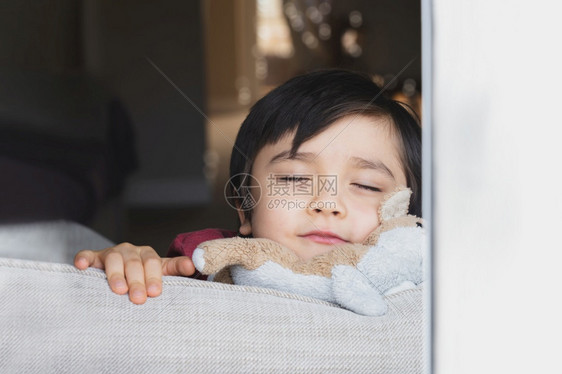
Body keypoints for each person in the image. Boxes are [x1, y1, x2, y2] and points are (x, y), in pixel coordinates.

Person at [74, 69, 422, 304]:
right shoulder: (206, 262)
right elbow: (150, 286)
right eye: (294, 179)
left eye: (365, 185)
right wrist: (127, 265)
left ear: (406, 212)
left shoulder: (425, 287)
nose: (327, 203)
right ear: (245, 208)